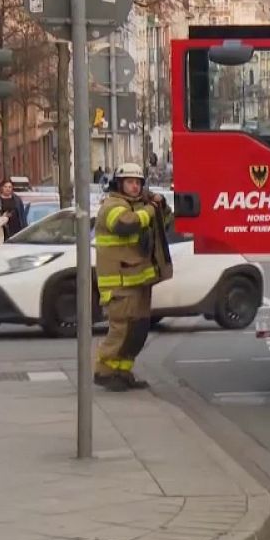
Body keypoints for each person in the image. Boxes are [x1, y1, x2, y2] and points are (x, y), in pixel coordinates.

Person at [93, 162, 174, 391]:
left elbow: (164, 223)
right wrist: (150, 209)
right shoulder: (112, 205)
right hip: (119, 283)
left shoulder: (139, 205)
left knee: (137, 331)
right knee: (121, 329)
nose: (135, 186)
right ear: (119, 184)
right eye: (130, 182)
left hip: (138, 280)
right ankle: (104, 371)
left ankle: (122, 371)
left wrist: (161, 205)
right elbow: (125, 224)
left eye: (138, 182)